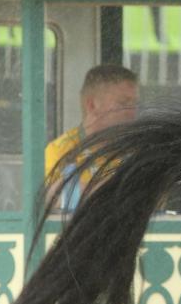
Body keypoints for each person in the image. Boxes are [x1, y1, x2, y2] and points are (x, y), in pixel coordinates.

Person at [45, 64, 139, 211]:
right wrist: (124, 190)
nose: (132, 112)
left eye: (134, 104)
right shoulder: (59, 150)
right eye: (124, 103)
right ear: (92, 105)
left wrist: (83, 191)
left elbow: (154, 196)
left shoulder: (138, 148)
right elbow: (50, 198)